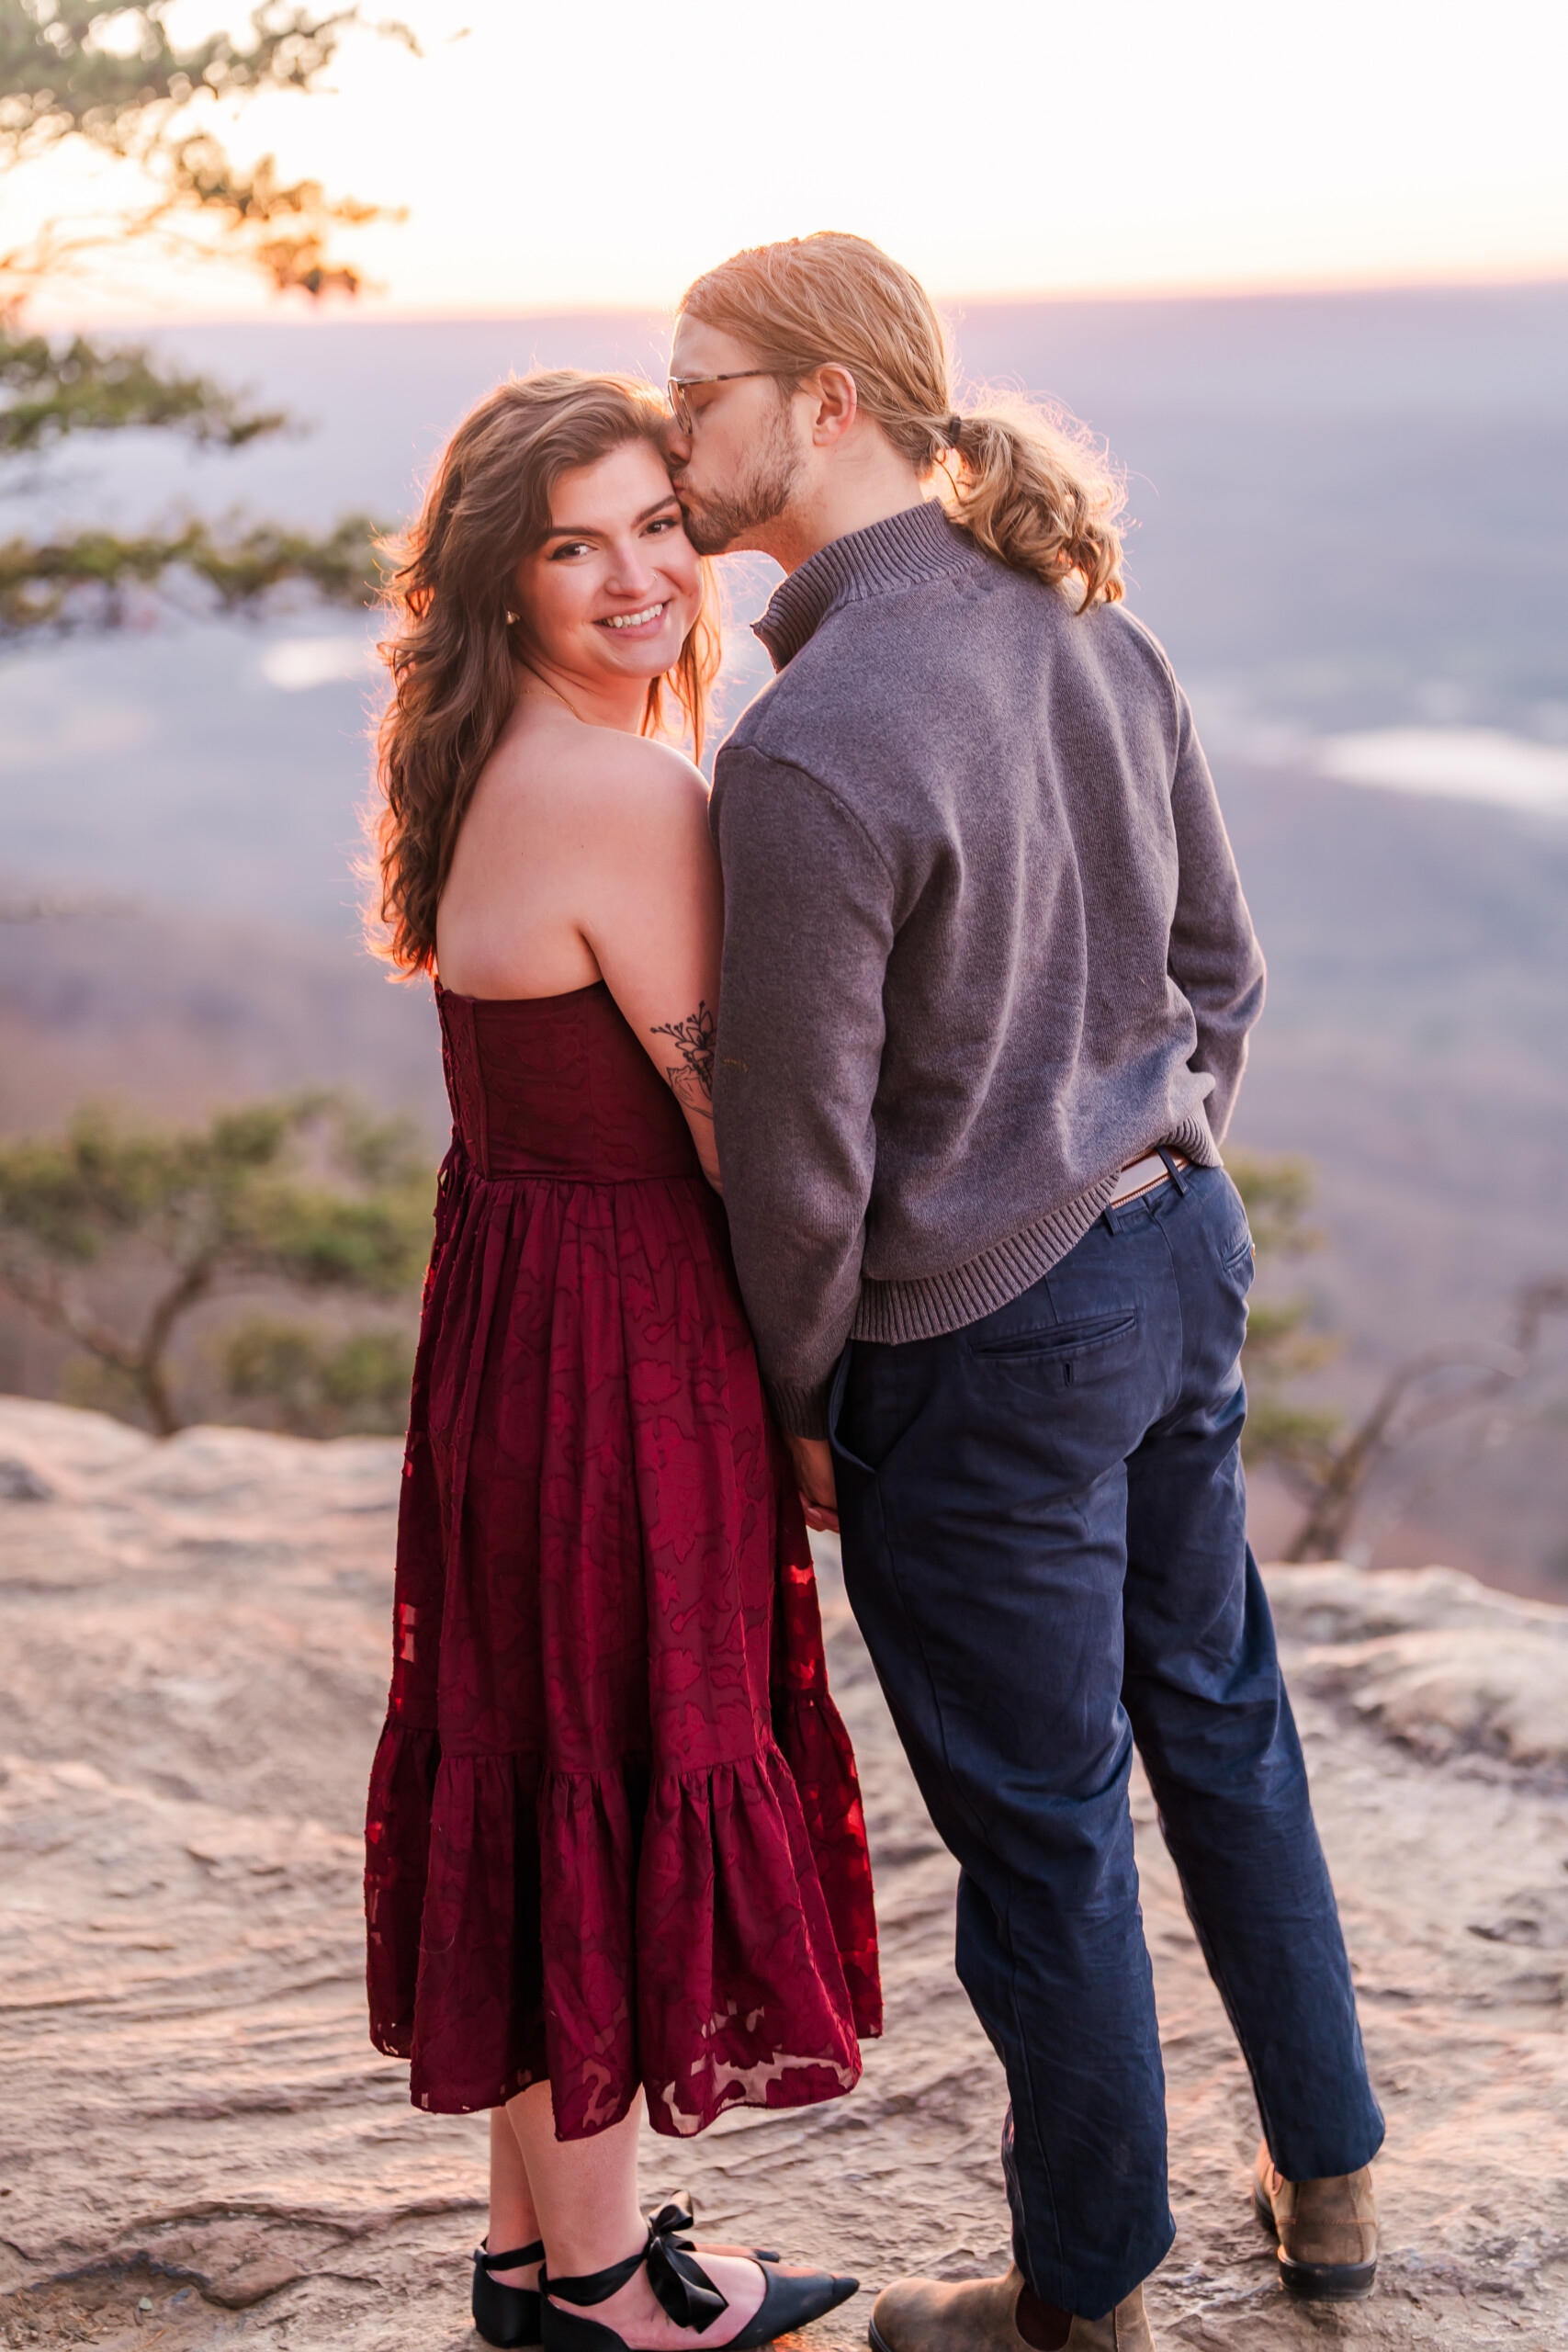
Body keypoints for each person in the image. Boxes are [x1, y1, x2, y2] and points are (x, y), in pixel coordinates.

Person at [664, 235, 1384, 2352]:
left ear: (821, 403)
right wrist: (1144, 1155)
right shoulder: (1088, 631)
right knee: (1221, 1720)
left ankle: (1086, 2295)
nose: (669, 418)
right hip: (1172, 1262)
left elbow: (799, 1160)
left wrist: (801, 1390)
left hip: (975, 1347)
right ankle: (1323, 2176)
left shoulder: (805, 745)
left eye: (696, 384)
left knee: (1045, 1825)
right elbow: (1218, 970)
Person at [361, 368, 880, 2352]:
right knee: (603, 1749)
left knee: (537, 1748)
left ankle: (531, 2253)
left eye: (660, 521)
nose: (638, 573)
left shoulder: (494, 751)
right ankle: (592, 2288)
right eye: (573, 542)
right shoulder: (623, 786)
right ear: (501, 579)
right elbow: (739, 1130)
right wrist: (819, 1392)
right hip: (614, 1344)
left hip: (517, 1318)